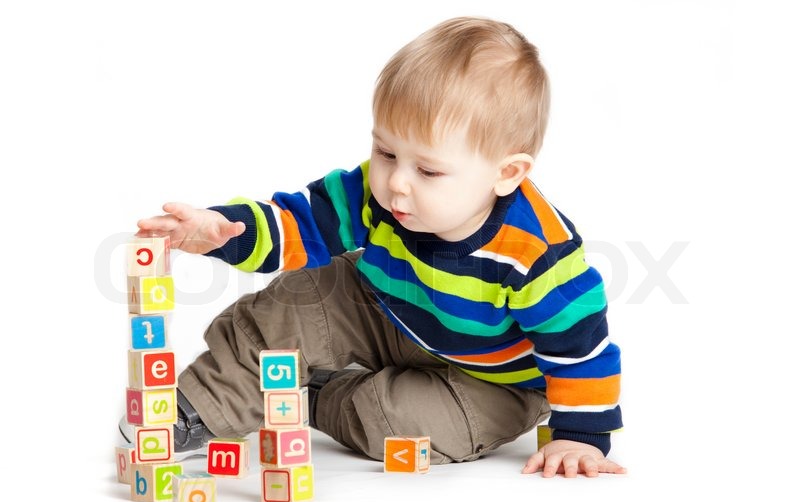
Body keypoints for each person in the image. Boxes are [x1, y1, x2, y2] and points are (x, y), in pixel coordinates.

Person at [120, 16, 625, 478]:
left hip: (496, 381)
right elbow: (299, 222)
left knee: (406, 425)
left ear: (506, 173)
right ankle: (198, 406)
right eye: (385, 151)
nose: (397, 183)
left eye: (428, 170)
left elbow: (581, 348)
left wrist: (581, 437)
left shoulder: (537, 252)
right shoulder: (375, 191)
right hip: (390, 309)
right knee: (297, 301)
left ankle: (316, 397)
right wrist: (223, 229)